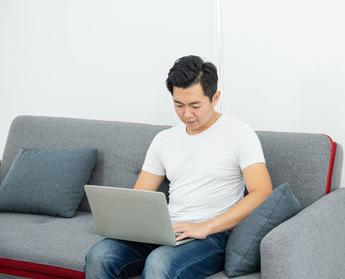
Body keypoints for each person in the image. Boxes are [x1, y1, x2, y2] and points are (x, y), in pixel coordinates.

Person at [84, 55, 273, 279]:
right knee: (99, 256)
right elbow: (139, 196)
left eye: (195, 105)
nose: (187, 114)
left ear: (215, 98)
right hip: (167, 230)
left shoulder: (240, 133)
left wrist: (205, 227)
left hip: (212, 235)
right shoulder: (164, 139)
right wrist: (126, 224)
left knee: (159, 264)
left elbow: (262, 193)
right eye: (178, 104)